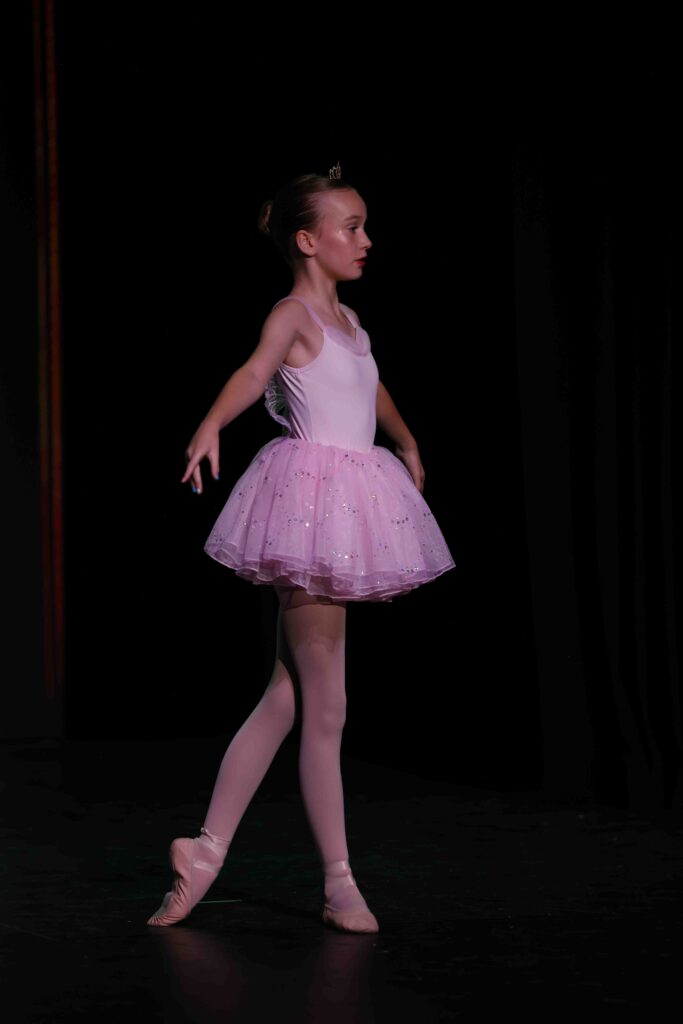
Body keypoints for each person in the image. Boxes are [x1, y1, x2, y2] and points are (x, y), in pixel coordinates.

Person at [146, 164, 455, 935]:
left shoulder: (351, 322)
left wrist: (406, 439)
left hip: (350, 500)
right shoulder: (292, 313)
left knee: (287, 696)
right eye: (351, 227)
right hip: (312, 508)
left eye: (364, 225)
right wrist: (210, 423)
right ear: (309, 241)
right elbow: (254, 371)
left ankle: (205, 851)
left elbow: (369, 385)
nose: (366, 239)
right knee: (328, 703)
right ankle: (338, 884)